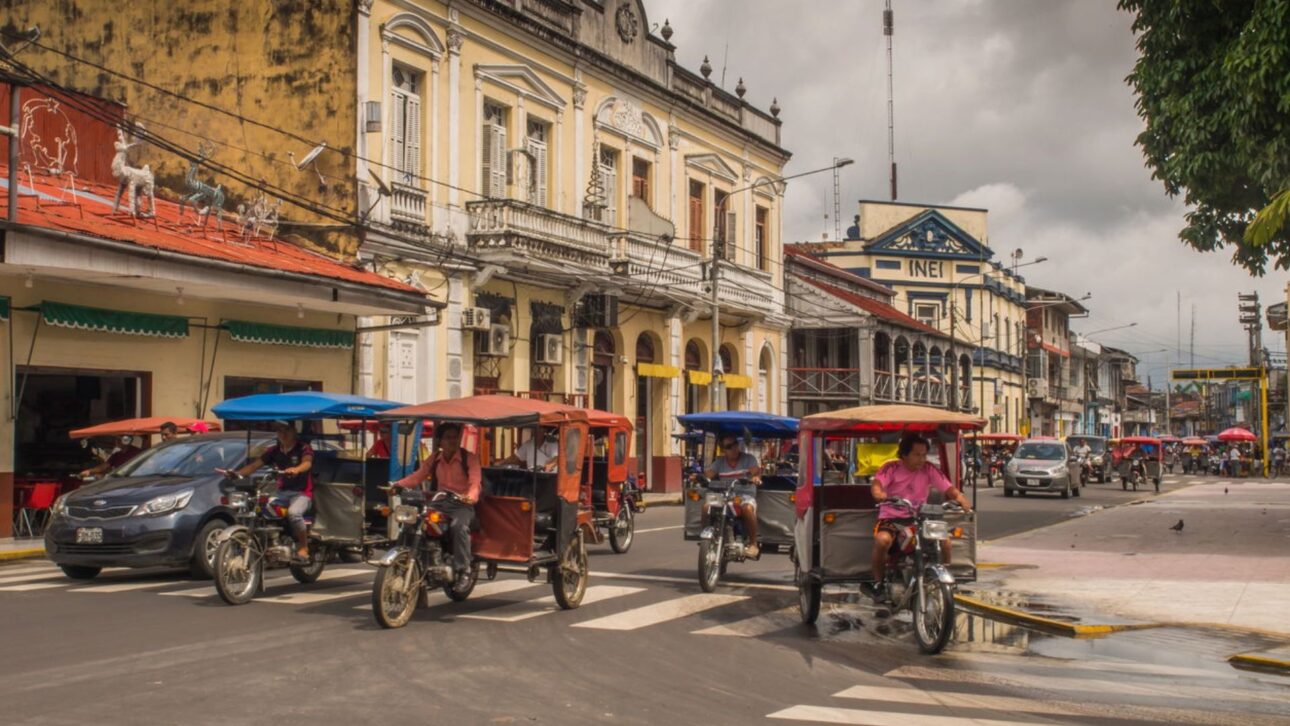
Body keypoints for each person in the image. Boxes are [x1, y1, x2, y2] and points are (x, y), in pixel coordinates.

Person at [869, 433, 973, 599]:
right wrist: (879, 493)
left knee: (945, 541)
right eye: (917, 455)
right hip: (892, 517)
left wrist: (960, 498)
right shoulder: (891, 468)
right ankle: (878, 583)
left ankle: (944, 581)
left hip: (920, 517)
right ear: (904, 455)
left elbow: (948, 488)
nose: (921, 459)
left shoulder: (929, 469)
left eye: (924, 454)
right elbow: (877, 484)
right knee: (882, 540)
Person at [394, 422, 480, 589]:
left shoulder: (469, 458)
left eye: (455, 437)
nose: (452, 441)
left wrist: (470, 496)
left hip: (461, 505)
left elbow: (475, 481)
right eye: (448, 437)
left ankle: (464, 570)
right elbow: (417, 476)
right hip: (439, 502)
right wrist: (398, 485)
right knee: (415, 523)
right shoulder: (434, 459)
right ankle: (412, 561)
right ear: (439, 440)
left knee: (459, 527)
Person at [233, 420, 314, 561]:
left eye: (286, 430)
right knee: (259, 510)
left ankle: (303, 547)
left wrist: (296, 469)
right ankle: (270, 542)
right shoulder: (274, 450)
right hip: (281, 493)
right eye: (280, 431)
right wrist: (237, 473)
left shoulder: (303, 448)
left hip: (301, 493)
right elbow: (254, 466)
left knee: (294, 513)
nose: (283, 434)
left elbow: (307, 463)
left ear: (294, 431)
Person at [704, 434, 762, 558]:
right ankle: (707, 538)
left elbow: (756, 472)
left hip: (744, 494)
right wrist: (699, 477)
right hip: (726, 495)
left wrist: (756, 477)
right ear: (723, 450)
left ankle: (753, 544)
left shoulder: (748, 459)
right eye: (729, 446)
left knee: (747, 508)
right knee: (706, 507)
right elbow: (709, 474)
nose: (734, 448)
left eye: (735, 444)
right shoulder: (719, 462)